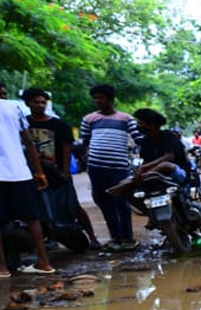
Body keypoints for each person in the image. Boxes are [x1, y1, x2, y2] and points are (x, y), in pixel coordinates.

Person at [21, 87, 100, 248]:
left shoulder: (58, 124)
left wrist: (65, 171)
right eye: (36, 102)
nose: (40, 105)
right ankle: (51, 238)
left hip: (56, 172)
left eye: (43, 102)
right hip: (34, 172)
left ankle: (92, 237)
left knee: (73, 206)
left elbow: (66, 147)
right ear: (28, 103)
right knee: (42, 207)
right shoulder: (24, 123)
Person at [78, 84, 141, 252]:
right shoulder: (89, 119)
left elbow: (138, 138)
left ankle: (128, 238)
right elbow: (85, 142)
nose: (98, 101)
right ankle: (116, 237)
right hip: (96, 168)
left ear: (111, 99)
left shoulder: (126, 119)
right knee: (105, 203)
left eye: (101, 97)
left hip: (119, 168)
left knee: (122, 202)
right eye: (95, 98)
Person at [0, 93, 56, 277]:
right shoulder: (13, 108)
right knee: (32, 219)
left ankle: (2, 268)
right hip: (19, 172)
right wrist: (39, 172)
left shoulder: (13, 107)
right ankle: (44, 262)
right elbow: (28, 141)